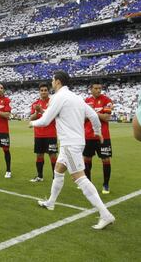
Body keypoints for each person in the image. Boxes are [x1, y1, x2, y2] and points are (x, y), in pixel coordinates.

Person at [30, 71, 115, 230]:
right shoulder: (77, 97)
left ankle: (105, 214)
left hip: (70, 144)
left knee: (79, 178)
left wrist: (32, 123)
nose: (51, 83)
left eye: (52, 80)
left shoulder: (58, 97)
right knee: (59, 170)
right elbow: (94, 116)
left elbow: (46, 120)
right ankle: (51, 203)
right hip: (75, 142)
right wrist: (97, 131)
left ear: (58, 82)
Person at [83, 82, 113, 194]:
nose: (98, 90)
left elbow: (107, 117)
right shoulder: (85, 101)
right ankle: (88, 184)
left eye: (100, 88)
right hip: (88, 135)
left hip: (103, 135)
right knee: (86, 159)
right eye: (96, 88)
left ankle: (106, 184)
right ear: (91, 89)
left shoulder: (107, 100)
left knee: (105, 159)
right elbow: (82, 118)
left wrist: (91, 112)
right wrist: (90, 113)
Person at [29, 83, 58, 182]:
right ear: (39, 92)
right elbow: (31, 118)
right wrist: (37, 112)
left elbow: (52, 116)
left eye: (45, 90)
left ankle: (55, 177)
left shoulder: (53, 102)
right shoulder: (35, 103)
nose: (43, 92)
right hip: (38, 134)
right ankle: (40, 176)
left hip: (51, 134)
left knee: (53, 155)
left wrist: (41, 110)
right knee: (39, 155)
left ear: (48, 91)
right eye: (42, 90)